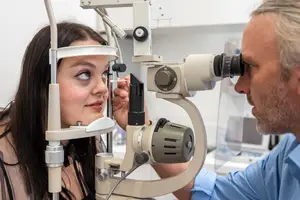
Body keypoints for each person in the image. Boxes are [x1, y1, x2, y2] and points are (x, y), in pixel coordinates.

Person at [114, 0, 300, 199]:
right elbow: (216, 193)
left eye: (251, 68)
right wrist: (143, 132)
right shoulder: (288, 153)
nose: (239, 87)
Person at [0, 22, 144, 200]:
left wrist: (138, 128)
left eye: (105, 73)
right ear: (44, 82)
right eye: (84, 74)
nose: (103, 88)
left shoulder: (88, 140)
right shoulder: (5, 158)